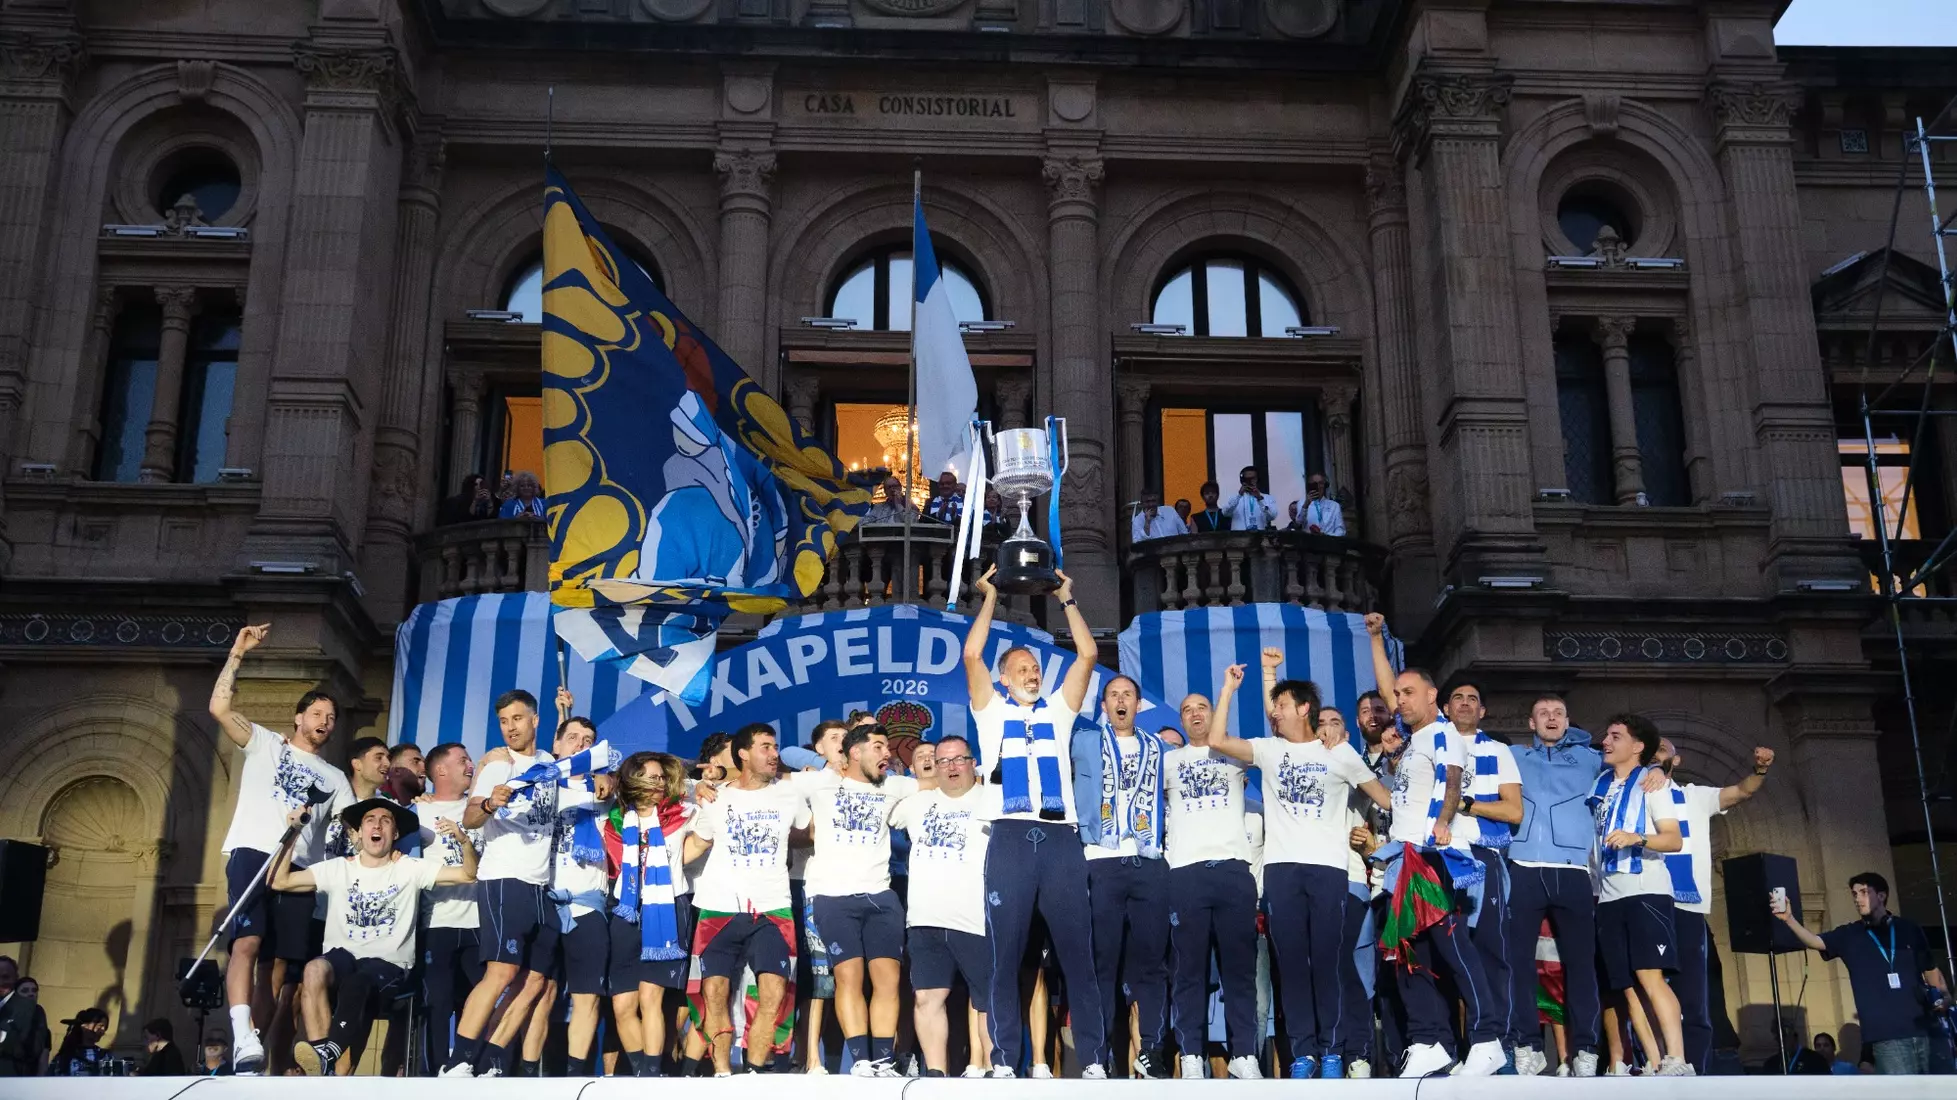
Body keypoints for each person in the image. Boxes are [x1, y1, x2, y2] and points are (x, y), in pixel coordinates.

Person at [1209, 652, 1391, 1078]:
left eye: (1282, 705)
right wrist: (1228, 690)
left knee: (1328, 963)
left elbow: (1385, 799)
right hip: (1282, 871)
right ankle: (1304, 1053)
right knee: (1291, 965)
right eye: (1273, 706)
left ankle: (1333, 1051)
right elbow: (1218, 740)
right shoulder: (1269, 750)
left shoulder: (1340, 752)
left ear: (1304, 708)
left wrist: (1383, 839)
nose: (1274, 712)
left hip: (1329, 870)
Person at [963, 564, 1109, 1079]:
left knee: (1078, 954)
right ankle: (1005, 1059)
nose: (1032, 674)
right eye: (1021, 668)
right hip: (1008, 838)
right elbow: (971, 655)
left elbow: (1087, 655)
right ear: (1003, 678)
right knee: (1004, 955)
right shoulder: (990, 712)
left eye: (1035, 668)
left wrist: (1067, 598)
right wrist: (988, 596)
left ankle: (1094, 1060)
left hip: (1060, 841)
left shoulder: (1059, 711)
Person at [208, 622, 355, 1075]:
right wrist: (238, 652)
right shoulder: (265, 743)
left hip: (299, 869)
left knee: (277, 969)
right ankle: (241, 1034)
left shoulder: (335, 778)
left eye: (331, 718)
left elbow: (349, 832)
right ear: (299, 717)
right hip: (255, 852)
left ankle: (252, 1052)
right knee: (247, 942)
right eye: (317, 713)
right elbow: (219, 707)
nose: (324, 722)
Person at [1364, 613, 1505, 1077]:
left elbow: (1453, 779)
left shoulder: (1443, 732)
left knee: (1452, 948)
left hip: (1431, 855)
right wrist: (1375, 639)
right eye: (1398, 694)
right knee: (1409, 951)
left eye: (1409, 693)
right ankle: (1430, 1041)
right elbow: (1386, 688)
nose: (1399, 700)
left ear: (1432, 697)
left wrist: (1444, 822)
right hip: (1405, 858)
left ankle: (1487, 1038)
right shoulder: (1413, 737)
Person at [273, 797, 477, 1076]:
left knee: (360, 981)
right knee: (314, 969)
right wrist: (293, 832)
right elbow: (280, 881)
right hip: (342, 961)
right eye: (370, 820)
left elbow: (468, 875)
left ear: (395, 833)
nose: (377, 825)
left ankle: (327, 1056)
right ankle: (324, 1057)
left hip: (389, 968)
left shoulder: (410, 868)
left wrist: (464, 841)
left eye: (386, 821)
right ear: (359, 832)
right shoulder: (338, 868)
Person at [441, 689, 558, 1077]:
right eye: (504, 721)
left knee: (536, 980)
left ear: (535, 720)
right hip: (504, 878)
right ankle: (457, 1061)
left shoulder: (548, 763)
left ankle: (489, 1060)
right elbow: (471, 817)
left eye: (517, 719)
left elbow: (576, 756)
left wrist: (564, 711)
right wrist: (491, 803)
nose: (510, 727)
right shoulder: (497, 764)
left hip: (541, 886)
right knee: (501, 973)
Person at [685, 724, 810, 1074]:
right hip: (718, 907)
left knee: (773, 995)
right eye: (765, 747)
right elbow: (697, 843)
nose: (774, 754)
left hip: (772, 908)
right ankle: (723, 1074)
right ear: (743, 753)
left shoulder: (790, 794)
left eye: (775, 747)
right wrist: (652, 870)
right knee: (714, 994)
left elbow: (811, 831)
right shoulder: (714, 797)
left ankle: (754, 1074)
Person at [1158, 673, 1264, 1079]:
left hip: (1234, 869)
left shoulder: (1233, 753)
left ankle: (1243, 1054)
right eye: (1187, 710)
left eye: (1201, 707)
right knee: (1188, 970)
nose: (1195, 714)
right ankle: (1191, 1055)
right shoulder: (1169, 762)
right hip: (1186, 872)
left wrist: (1227, 691)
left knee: (1240, 970)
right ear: (1181, 721)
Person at [1649, 736, 1773, 1073]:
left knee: (1695, 997)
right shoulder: (1630, 797)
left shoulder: (1695, 797)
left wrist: (1760, 770)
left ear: (1677, 760)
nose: (1655, 754)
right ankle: (1650, 1064)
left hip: (1687, 909)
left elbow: (1741, 791)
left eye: (1662, 749)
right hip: (1647, 905)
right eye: (1651, 748)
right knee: (1645, 993)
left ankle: (1697, 1070)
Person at [802, 724, 918, 1076]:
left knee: (888, 979)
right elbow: (769, 779)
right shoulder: (821, 783)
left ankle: (883, 1060)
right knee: (848, 977)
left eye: (887, 747)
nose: (888, 753)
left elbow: (936, 783)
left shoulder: (894, 785)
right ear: (855, 752)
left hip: (881, 896)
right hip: (833, 896)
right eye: (879, 746)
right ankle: (861, 1061)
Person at [1075, 674, 1173, 1078]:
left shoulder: (1160, 748)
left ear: (1138, 704)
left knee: (1152, 962)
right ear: (1103, 706)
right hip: (1101, 859)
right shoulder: (1083, 742)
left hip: (1148, 860)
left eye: (1127, 695)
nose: (1120, 700)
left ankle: (1151, 1050)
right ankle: (1096, 1056)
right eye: (1113, 695)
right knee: (1102, 962)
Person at [1587, 713, 1690, 1076]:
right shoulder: (1599, 786)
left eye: (1616, 736)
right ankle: (1655, 1061)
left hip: (1646, 890)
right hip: (1608, 896)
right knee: (1626, 986)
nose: (1606, 741)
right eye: (1607, 735)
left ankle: (1678, 1058)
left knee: (1650, 976)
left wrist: (1637, 838)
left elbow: (1673, 840)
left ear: (1638, 746)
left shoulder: (1651, 784)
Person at [1506, 694, 1603, 1077]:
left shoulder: (1590, 759)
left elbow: (1635, 759)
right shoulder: (1513, 755)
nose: (1551, 718)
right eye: (1543, 713)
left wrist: (1659, 767)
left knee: (1581, 964)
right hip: (1523, 866)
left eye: (1559, 713)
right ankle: (1528, 1046)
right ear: (1531, 723)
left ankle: (1586, 1050)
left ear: (1567, 720)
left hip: (1572, 870)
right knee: (1519, 963)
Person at [889, 734, 996, 1078]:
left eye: (959, 759)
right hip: (926, 920)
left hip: (976, 919)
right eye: (943, 761)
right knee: (926, 998)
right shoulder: (915, 803)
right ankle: (936, 1075)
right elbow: (877, 794)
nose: (952, 767)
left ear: (972, 763)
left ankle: (996, 1072)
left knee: (987, 1001)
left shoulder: (992, 801)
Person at [1772, 871, 1951, 1074]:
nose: (1857, 899)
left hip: (1928, 1032)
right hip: (1887, 1037)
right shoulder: (1850, 935)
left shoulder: (1909, 928)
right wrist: (1789, 919)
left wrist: (1944, 996)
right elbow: (1814, 941)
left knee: (1941, 1088)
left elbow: (1930, 968)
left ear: (1881, 896)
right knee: (1903, 1090)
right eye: (1854, 894)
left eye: (1864, 892)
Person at [1447, 677, 1523, 1073]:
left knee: (1489, 951)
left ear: (1483, 711)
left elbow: (1513, 812)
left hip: (1480, 854)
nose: (1464, 703)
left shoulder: (1498, 751)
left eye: (1472, 698)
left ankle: (1499, 1045)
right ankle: (1457, 1049)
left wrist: (1466, 804)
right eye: (1457, 697)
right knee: (1447, 955)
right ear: (1444, 708)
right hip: (1438, 855)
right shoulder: (1430, 747)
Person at [606, 752, 697, 1078]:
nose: (659, 783)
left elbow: (705, 835)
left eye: (662, 777)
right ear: (634, 780)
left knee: (650, 998)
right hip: (627, 912)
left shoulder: (682, 813)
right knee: (622, 1005)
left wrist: (700, 786)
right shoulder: (613, 820)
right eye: (652, 777)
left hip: (666, 909)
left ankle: (653, 1072)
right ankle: (642, 1073)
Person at [0, 957, 47, 1077]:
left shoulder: (31, 1008)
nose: (1, 982)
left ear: (16, 978)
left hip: (9, 1080)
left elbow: (34, 1049)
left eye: (5, 977)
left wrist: (3, 1037)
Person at [51, 1008, 108, 1076]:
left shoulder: (104, 1056)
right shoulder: (65, 1055)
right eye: (100, 1026)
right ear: (84, 1026)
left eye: (105, 1028)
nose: (103, 1031)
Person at [1218, 466, 1275, 531]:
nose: (1250, 482)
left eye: (1253, 479)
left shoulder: (1267, 498)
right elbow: (1225, 513)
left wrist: (1260, 499)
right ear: (1242, 481)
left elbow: (1272, 516)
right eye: (1247, 479)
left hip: (1260, 536)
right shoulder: (1234, 498)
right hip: (1239, 537)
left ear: (1258, 479)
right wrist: (1239, 495)